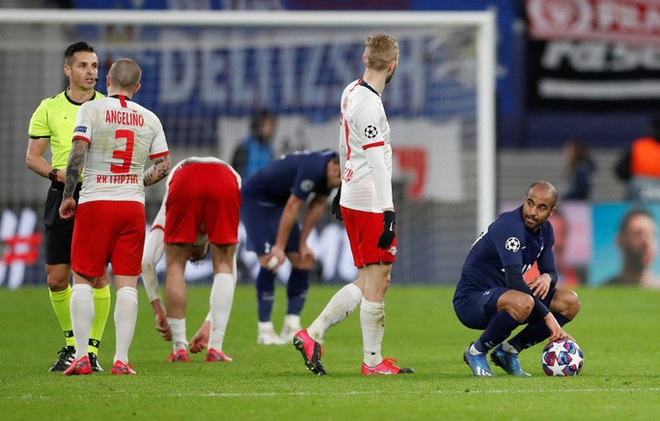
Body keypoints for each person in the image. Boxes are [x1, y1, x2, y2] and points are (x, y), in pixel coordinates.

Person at [293, 33, 414, 376]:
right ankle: (372, 362)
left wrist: (339, 189)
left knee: (368, 278)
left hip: (352, 195)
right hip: (370, 200)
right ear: (393, 65)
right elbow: (376, 162)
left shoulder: (351, 91)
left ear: (365, 60)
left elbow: (344, 145)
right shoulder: (371, 106)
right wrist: (389, 211)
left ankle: (313, 333)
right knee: (379, 280)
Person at [58, 58, 171, 375]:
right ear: (137, 87)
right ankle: (121, 359)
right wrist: (139, 180)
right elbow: (163, 165)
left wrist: (69, 196)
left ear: (107, 80)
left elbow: (78, 152)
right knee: (126, 284)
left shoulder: (91, 109)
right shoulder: (149, 118)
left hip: (95, 202)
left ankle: (82, 356)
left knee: (82, 278)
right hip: (131, 207)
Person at [25, 41, 111, 372]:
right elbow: (32, 157)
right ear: (68, 70)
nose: (91, 72)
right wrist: (56, 173)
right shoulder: (48, 108)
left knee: (97, 276)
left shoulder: (107, 107)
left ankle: (89, 350)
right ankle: (71, 344)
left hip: (97, 193)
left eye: (94, 66)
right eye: (84, 66)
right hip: (61, 191)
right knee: (57, 279)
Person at [453, 181, 581, 377]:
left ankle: (509, 351)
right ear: (524, 200)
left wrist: (547, 277)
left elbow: (551, 272)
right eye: (530, 203)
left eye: (541, 207)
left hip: (506, 298)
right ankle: (476, 352)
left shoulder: (546, 231)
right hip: (472, 300)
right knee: (524, 302)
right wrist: (549, 318)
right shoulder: (510, 226)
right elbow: (514, 281)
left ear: (551, 212)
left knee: (570, 302)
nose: (532, 211)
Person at [141, 156, 241, 363]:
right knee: (223, 263)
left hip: (185, 178)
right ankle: (216, 348)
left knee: (175, 265)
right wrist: (211, 326)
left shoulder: (166, 214)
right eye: (194, 254)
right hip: (225, 179)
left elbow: (147, 260)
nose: (192, 253)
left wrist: (158, 308)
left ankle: (179, 348)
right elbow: (231, 275)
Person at [241, 149, 341, 345]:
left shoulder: (331, 175)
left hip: (280, 202)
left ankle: (291, 326)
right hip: (257, 199)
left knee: (303, 260)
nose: (340, 179)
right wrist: (279, 246)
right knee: (271, 260)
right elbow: (294, 205)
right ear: (334, 165)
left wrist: (303, 243)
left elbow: (317, 205)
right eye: (339, 174)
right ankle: (265, 330)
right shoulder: (315, 168)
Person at [605, 209, 660, 288]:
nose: (647, 242)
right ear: (620, 241)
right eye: (638, 234)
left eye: (652, 234)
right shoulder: (605, 290)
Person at [614, 116, 660, 202]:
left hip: (640, 191)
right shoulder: (639, 146)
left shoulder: (639, 146)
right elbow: (621, 171)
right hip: (640, 192)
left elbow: (621, 171)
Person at [231, 109, 276, 179]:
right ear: (257, 125)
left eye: (270, 125)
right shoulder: (244, 148)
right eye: (265, 125)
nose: (268, 129)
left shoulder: (269, 150)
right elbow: (234, 175)